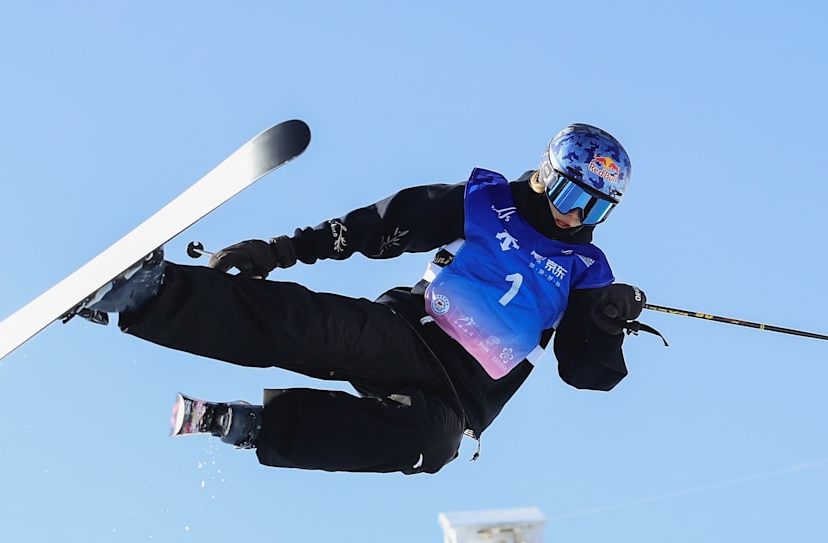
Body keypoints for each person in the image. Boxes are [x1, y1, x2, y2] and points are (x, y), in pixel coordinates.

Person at [80, 123, 647, 475]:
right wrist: (278, 251)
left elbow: (585, 373)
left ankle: (258, 426)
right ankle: (145, 295)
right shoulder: (485, 202)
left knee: (432, 444)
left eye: (595, 208)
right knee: (320, 328)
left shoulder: (589, 272)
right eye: (572, 194)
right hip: (415, 334)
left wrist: (604, 325)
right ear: (549, 175)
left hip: (462, 399)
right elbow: (377, 227)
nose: (575, 215)